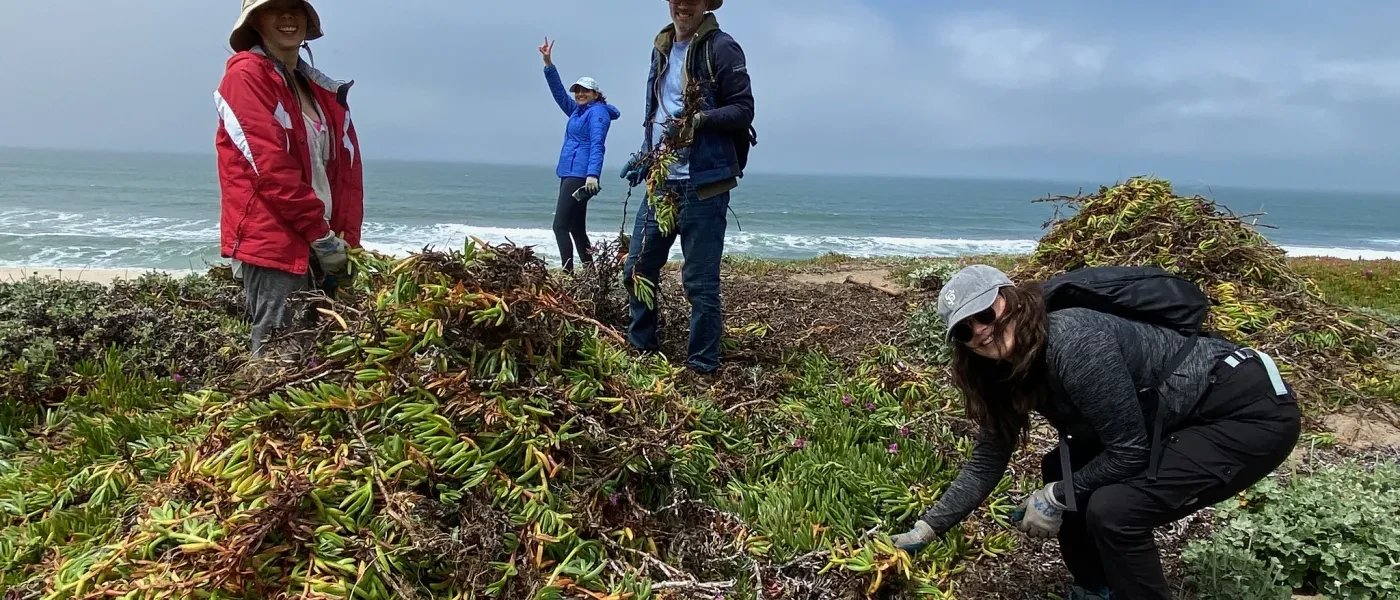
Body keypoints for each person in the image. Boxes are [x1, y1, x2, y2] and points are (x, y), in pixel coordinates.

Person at [888, 265, 1301, 600]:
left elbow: (1128, 452)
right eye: (964, 330)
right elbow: (985, 462)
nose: (979, 331)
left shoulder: (1072, 342)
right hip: (1175, 414)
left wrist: (1055, 498)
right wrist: (926, 529)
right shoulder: (1001, 370)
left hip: (1246, 410)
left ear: (1010, 300)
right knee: (1060, 468)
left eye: (984, 314)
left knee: (1115, 511)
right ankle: (1095, 589)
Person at [215, 0, 364, 357]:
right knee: (281, 357)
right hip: (278, 243)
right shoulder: (246, 77)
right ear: (255, 22)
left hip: (323, 239)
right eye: (273, 9)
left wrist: (345, 243)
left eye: (294, 8)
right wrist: (321, 237)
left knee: (324, 354)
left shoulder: (320, 90)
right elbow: (269, 168)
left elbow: (343, 176)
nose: (286, 17)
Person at [619, 0, 754, 374]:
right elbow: (658, 114)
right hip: (661, 182)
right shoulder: (661, 47)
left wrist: (700, 120)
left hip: (704, 185)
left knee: (699, 282)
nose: (683, 4)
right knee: (637, 268)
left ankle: (701, 366)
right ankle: (641, 348)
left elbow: (744, 109)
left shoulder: (722, 47)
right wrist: (647, 158)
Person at [538, 37, 621, 274]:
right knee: (575, 227)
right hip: (570, 172)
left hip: (581, 175)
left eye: (585, 90)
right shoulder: (578, 112)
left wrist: (592, 175)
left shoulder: (597, 114)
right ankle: (591, 274)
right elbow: (559, 95)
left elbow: (598, 145)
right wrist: (548, 64)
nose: (579, 94)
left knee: (560, 226)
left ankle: (568, 273)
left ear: (595, 93)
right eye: (577, 91)